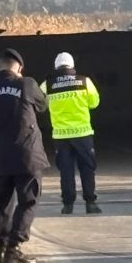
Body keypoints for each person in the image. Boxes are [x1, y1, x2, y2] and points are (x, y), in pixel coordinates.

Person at [0, 48, 49, 263]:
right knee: (28, 200)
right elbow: (43, 105)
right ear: (18, 67)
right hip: (27, 154)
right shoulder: (26, 84)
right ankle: (14, 247)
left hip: (0, 155)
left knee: (3, 203)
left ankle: (0, 247)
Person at [40, 52, 102, 215]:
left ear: (56, 67)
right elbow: (94, 103)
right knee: (87, 168)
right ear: (72, 65)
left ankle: (68, 205)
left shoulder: (48, 85)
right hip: (83, 134)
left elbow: (40, 104)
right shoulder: (84, 81)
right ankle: (90, 203)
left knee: (66, 171)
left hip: (61, 136)